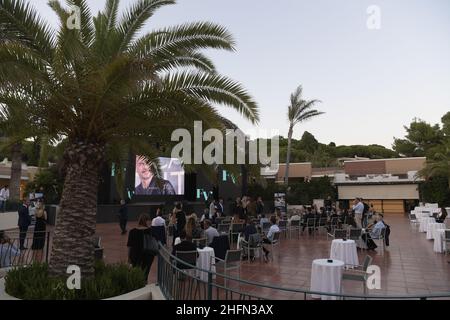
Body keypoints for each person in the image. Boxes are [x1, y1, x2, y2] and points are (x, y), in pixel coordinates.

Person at [127, 214, 155, 280]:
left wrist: (128, 257)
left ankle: (137, 285)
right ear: (146, 221)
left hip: (135, 255)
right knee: (145, 274)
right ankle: (144, 285)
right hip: (148, 255)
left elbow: (129, 246)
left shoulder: (132, 231)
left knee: (135, 273)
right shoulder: (150, 231)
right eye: (148, 221)